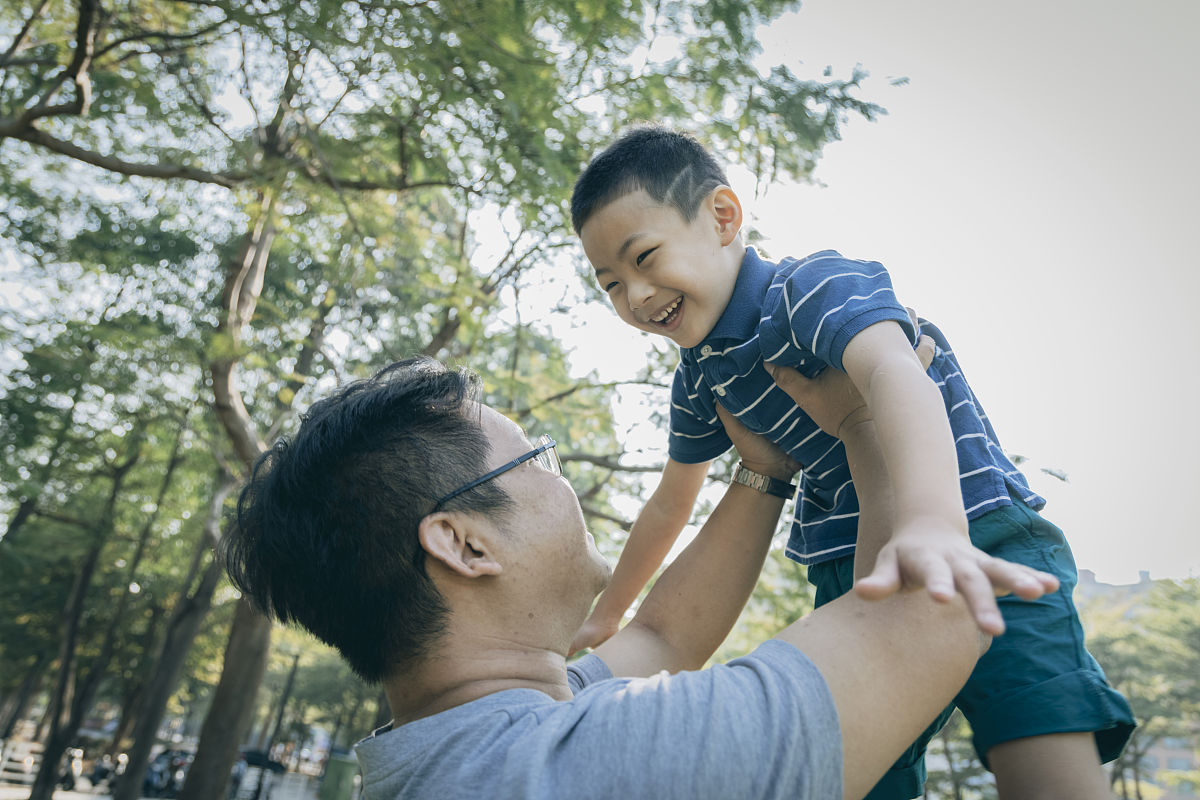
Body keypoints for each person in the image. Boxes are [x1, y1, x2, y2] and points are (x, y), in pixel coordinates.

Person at [569, 125, 1135, 799]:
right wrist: (610, 614)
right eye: (611, 284)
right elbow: (672, 499)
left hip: (973, 527)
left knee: (1039, 741)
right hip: (850, 571)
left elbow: (896, 371)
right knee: (864, 776)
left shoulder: (810, 288)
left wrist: (930, 523)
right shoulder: (701, 376)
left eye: (645, 258)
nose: (635, 296)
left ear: (722, 217)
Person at [222, 355, 1056, 800]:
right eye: (536, 460)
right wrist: (864, 414)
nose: (562, 480)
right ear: (466, 546)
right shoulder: (596, 766)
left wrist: (763, 471)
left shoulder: (469, 746)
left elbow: (664, 637)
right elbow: (936, 615)